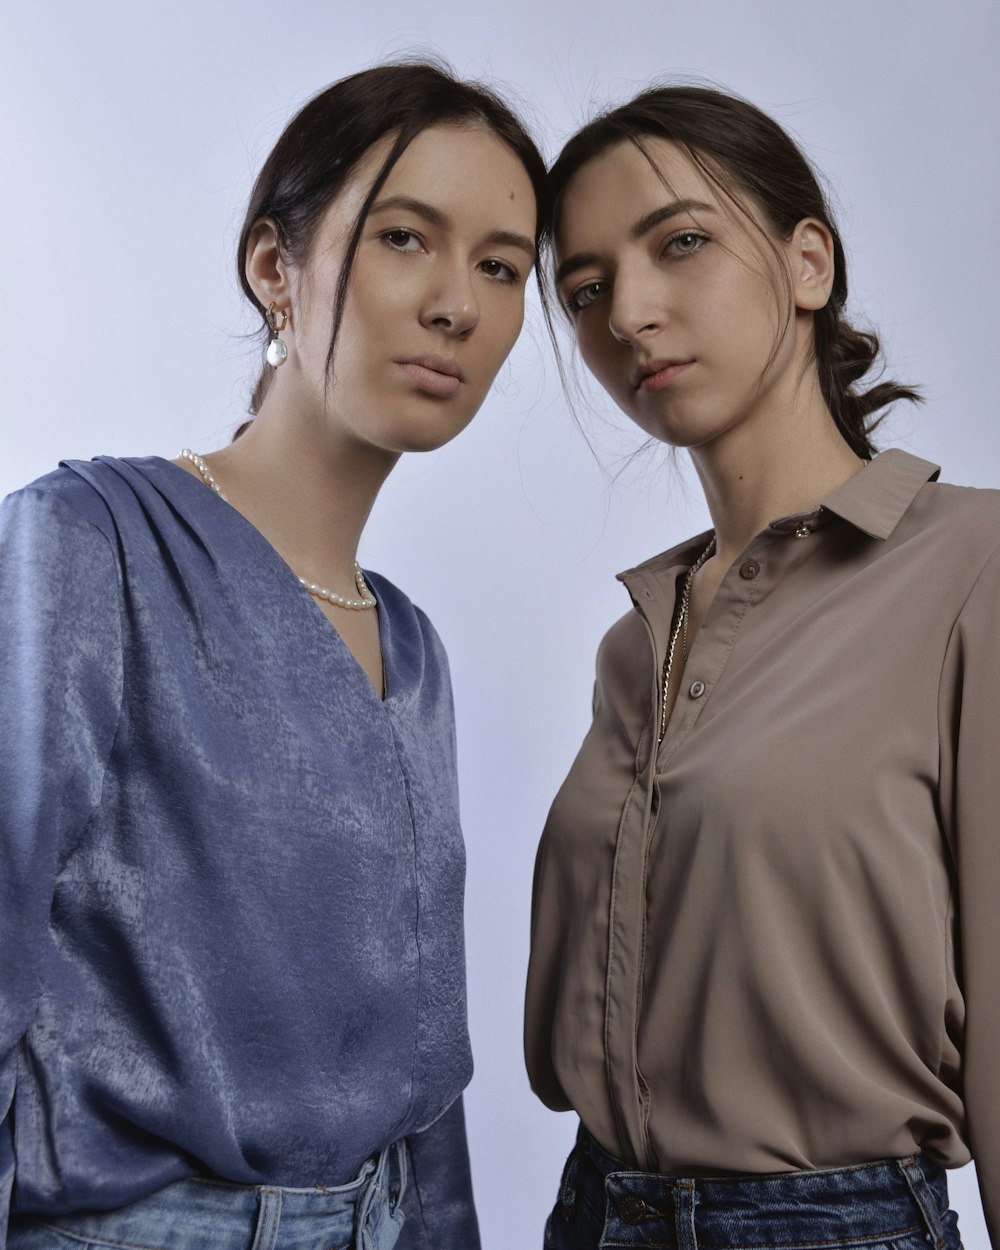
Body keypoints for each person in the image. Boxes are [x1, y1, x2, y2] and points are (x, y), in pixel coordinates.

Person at [0, 61, 545, 1250]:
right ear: (272, 267)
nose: (457, 301)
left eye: (502, 266)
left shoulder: (414, 647)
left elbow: (421, 1057)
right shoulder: (91, 539)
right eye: (406, 237)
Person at [525, 84, 998, 1250]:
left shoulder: (973, 569)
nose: (627, 311)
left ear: (807, 264)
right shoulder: (637, 640)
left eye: (679, 242)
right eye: (583, 291)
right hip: (593, 1209)